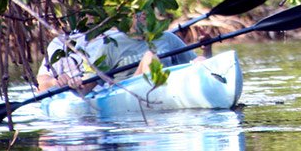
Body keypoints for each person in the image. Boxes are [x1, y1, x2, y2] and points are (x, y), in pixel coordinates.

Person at [36, 28, 198, 93]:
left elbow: (196, 63)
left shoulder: (168, 38)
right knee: (150, 58)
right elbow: (89, 88)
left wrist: (205, 54)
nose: (142, 17)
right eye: (137, 12)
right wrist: (73, 84)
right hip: (130, 94)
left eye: (145, 11)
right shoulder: (109, 46)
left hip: (169, 88)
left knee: (201, 60)